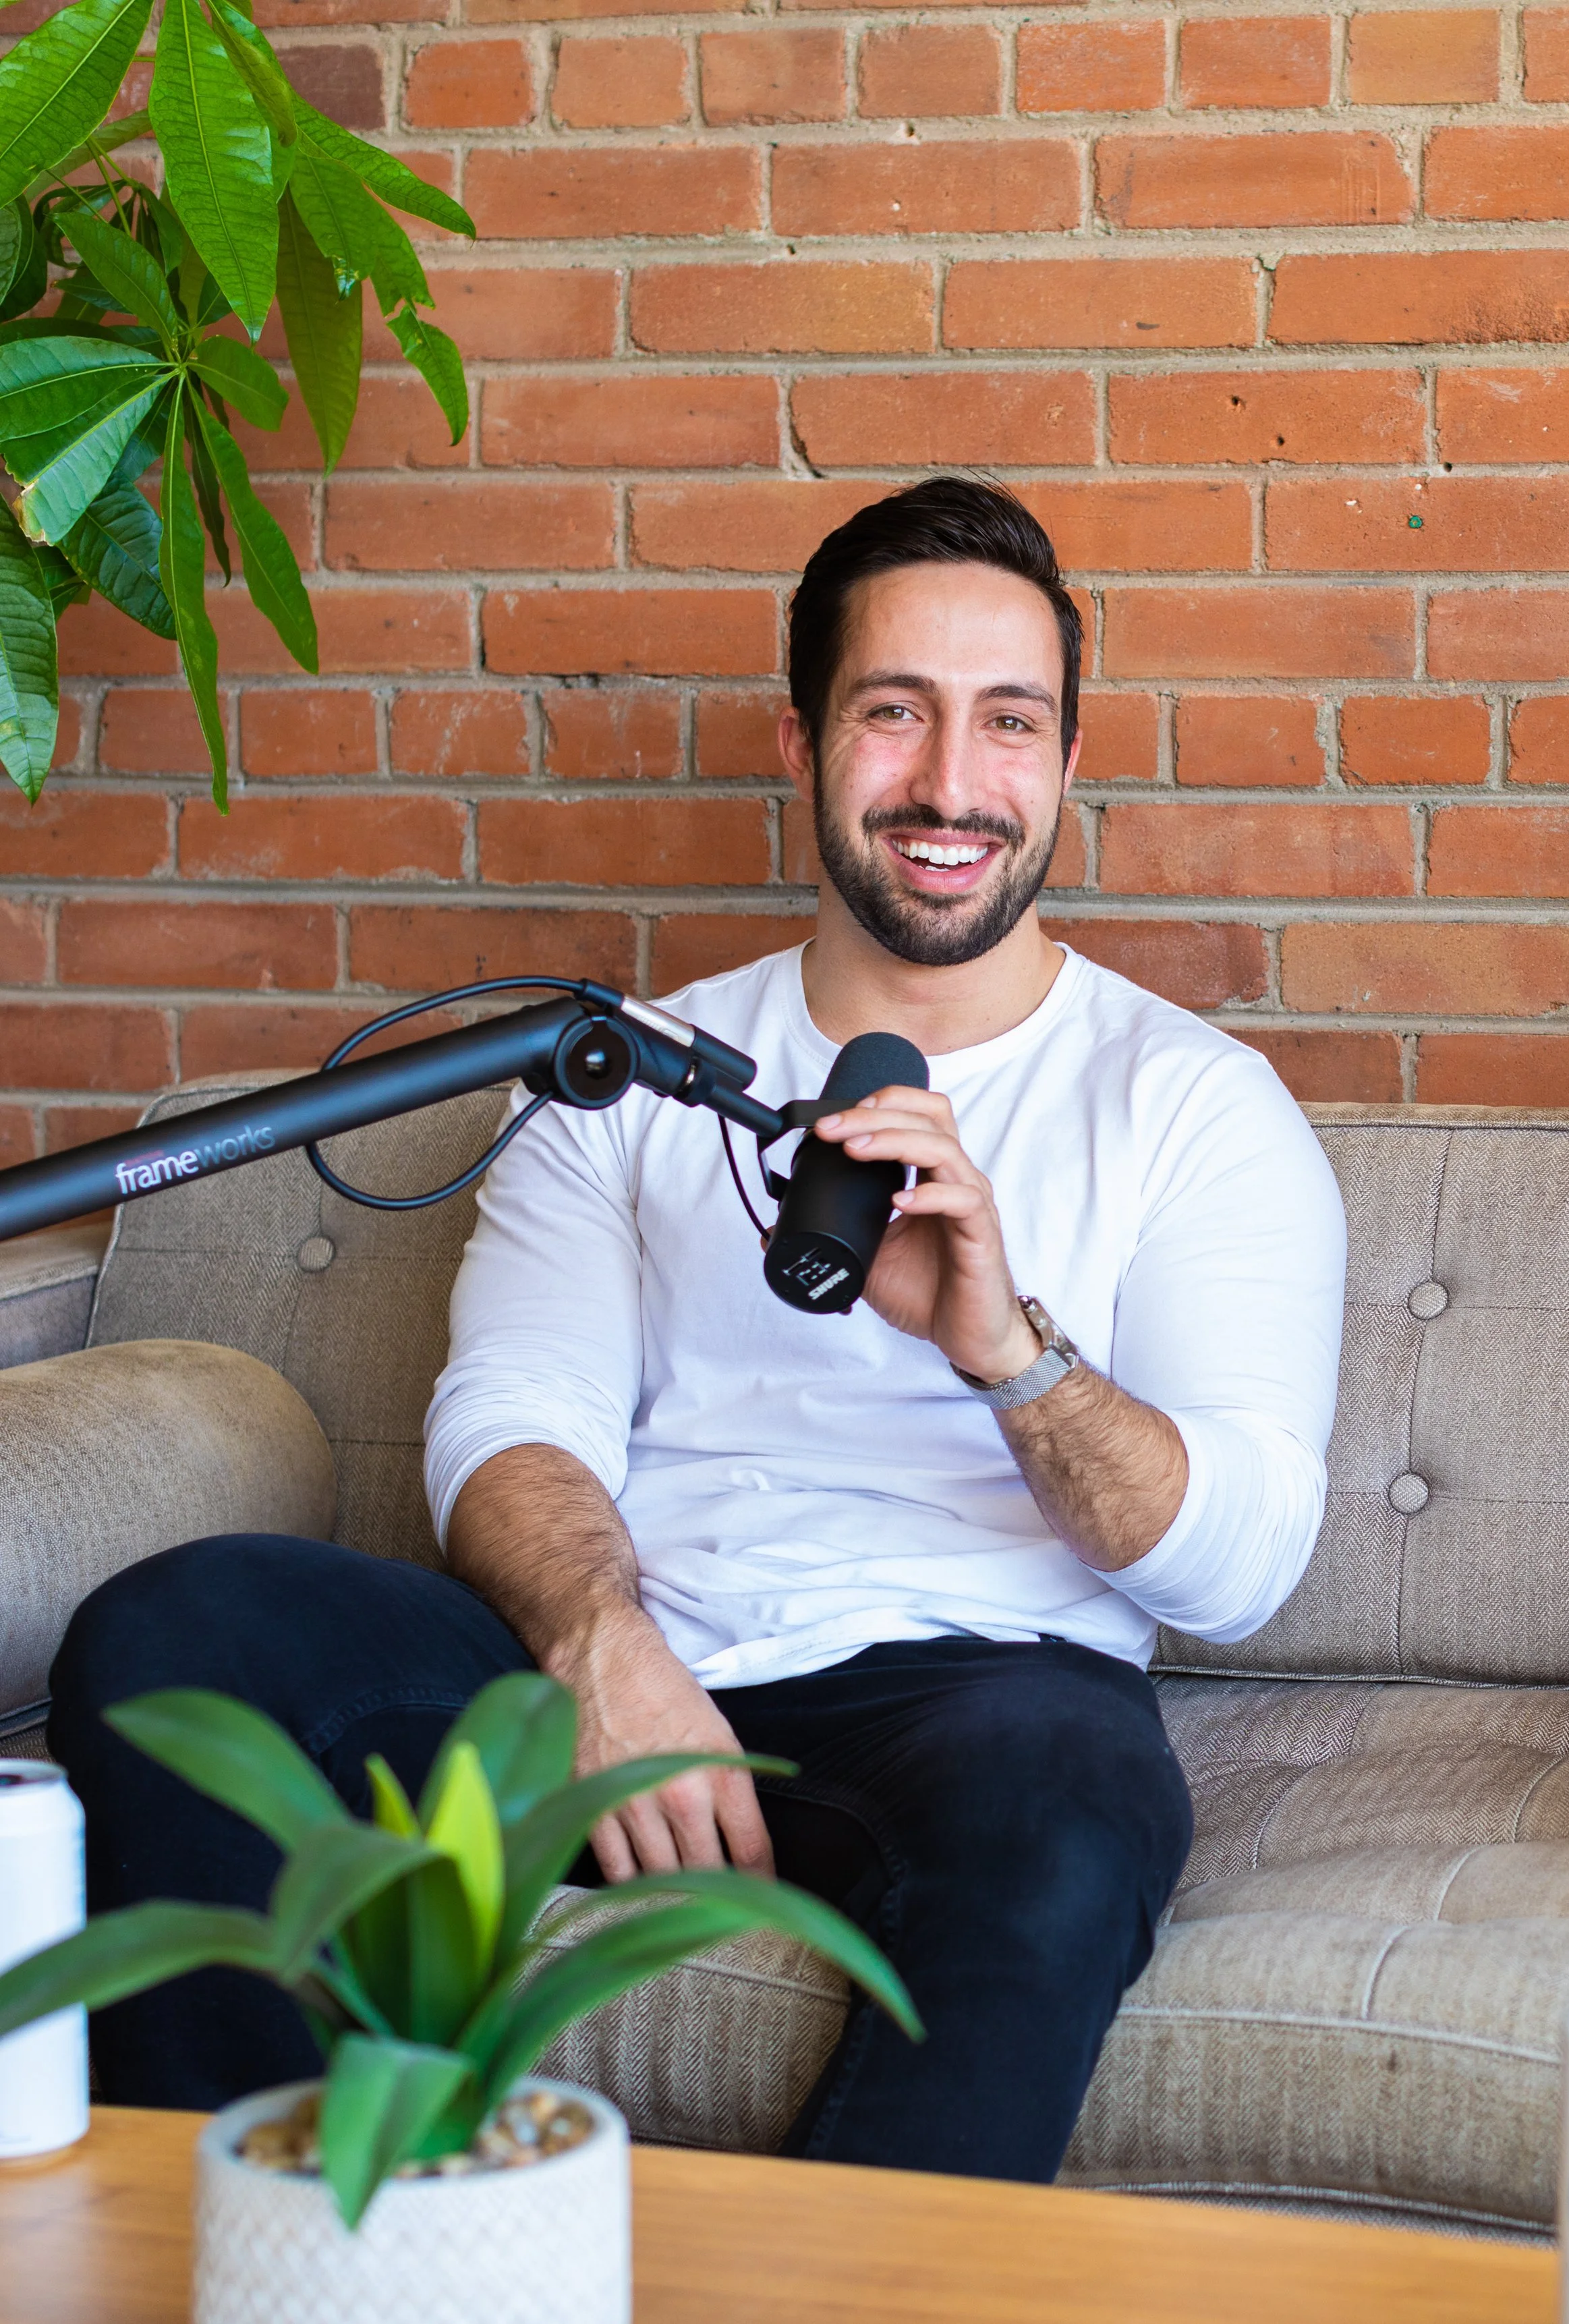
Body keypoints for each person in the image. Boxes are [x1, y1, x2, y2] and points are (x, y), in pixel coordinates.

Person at [49, 476, 1346, 2183]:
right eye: (894, 712)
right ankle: (299, 2269)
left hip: (971, 1698)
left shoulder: (1190, 1106)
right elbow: (511, 1413)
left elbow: (1239, 1564)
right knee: (177, 1629)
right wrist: (600, 1649)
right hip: (625, 1653)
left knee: (1070, 1813)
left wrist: (1007, 1351)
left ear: (1066, 762)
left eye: (1006, 723)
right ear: (800, 742)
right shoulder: (627, 1072)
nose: (952, 783)